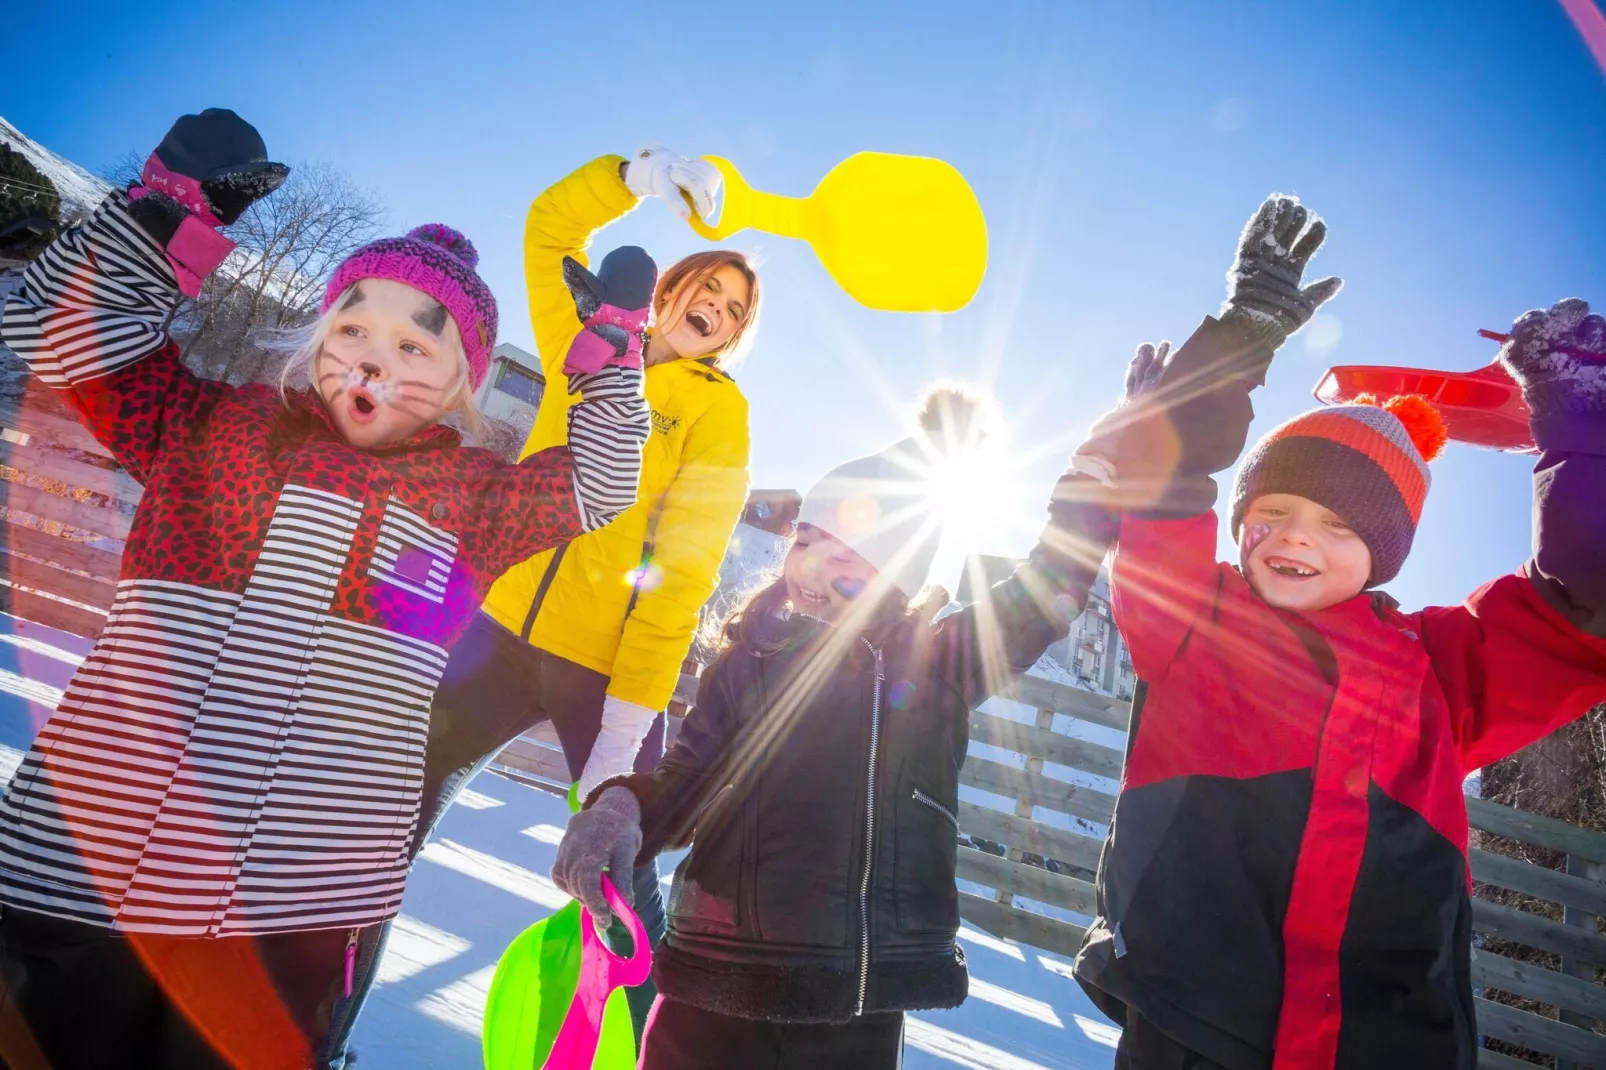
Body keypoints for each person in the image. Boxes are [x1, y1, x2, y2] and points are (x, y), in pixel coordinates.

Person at [0, 109, 648, 1070]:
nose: (378, 357)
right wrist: (160, 218)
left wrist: (610, 356)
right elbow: (56, 337)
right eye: (355, 326)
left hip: (292, 922)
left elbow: (596, 484)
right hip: (84, 873)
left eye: (418, 347)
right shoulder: (208, 427)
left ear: (464, 385)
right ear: (315, 342)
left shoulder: (474, 500)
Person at [1068, 196, 1606, 1068]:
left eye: (1336, 525)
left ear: (1385, 551)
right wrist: (1242, 335)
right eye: (1271, 511)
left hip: (1384, 1043)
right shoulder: (1194, 622)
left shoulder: (1445, 669)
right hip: (1198, 1028)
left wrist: (1580, 423)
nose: (1291, 539)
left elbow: (1582, 607)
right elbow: (1165, 484)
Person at [330, 143, 760, 1056]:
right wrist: (635, 177)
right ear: (671, 290)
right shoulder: (589, 340)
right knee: (370, 832)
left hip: (602, 669)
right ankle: (316, 1028)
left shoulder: (718, 412)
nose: (712, 315)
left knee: (622, 878)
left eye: (730, 314)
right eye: (703, 293)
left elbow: (684, 569)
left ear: (730, 338)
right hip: (490, 628)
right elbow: (549, 227)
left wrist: (627, 718)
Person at [549, 417, 1119, 1069]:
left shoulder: (937, 665)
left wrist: (1088, 496)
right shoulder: (747, 663)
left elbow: (1039, 599)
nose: (813, 567)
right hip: (718, 982)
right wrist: (622, 809)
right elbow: (685, 781)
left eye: (847, 555)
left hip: (855, 1004)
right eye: (806, 540)